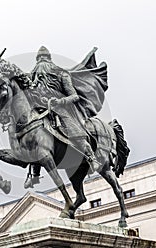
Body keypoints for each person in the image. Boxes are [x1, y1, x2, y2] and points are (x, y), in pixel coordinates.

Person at [24, 46, 99, 188]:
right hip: (41, 110)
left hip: (61, 109)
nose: (41, 63)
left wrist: (60, 101)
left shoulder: (62, 74)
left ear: (49, 60)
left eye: (43, 59)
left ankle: (91, 157)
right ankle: (34, 174)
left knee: (73, 129)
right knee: (32, 136)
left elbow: (74, 96)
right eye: (39, 60)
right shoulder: (33, 76)